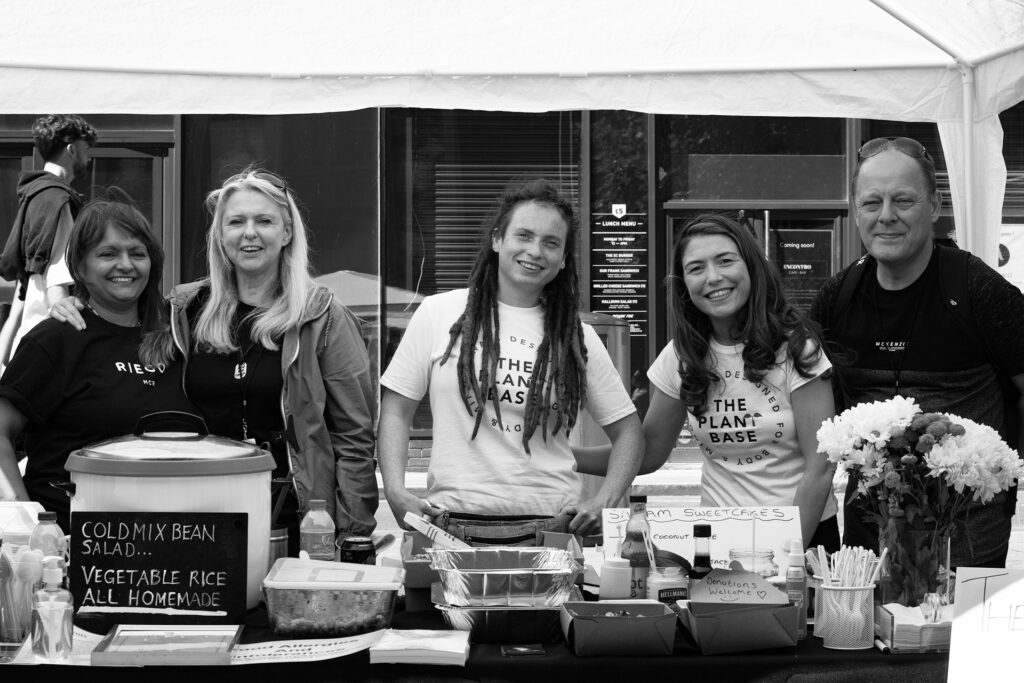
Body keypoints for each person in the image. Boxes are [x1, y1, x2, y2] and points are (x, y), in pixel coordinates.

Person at [51, 167, 378, 553]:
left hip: (296, 516)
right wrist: (75, 304)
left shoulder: (322, 316)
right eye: (236, 222)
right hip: (198, 511)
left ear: (287, 233)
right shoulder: (186, 310)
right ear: (221, 236)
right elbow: (118, 315)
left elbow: (355, 438)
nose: (249, 232)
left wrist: (352, 535)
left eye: (265, 221)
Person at [378, 178, 642, 544]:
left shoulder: (575, 334)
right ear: (498, 239)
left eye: (551, 243)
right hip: (450, 525)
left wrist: (607, 498)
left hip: (553, 527)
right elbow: (396, 409)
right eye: (524, 235)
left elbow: (628, 431)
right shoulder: (440, 312)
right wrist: (394, 487)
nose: (535, 251)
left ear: (563, 260)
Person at [809, 136, 1024, 567]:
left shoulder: (976, 289)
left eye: (903, 201)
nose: (886, 216)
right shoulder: (838, 297)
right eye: (872, 203)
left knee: (952, 636)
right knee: (867, 633)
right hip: (870, 529)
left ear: (935, 205)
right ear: (855, 210)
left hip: (967, 533)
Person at [579, 214, 838, 550]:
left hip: (803, 536)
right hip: (717, 539)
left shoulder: (797, 348)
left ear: (751, 267)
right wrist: (563, 456)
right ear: (684, 283)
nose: (713, 278)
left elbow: (820, 470)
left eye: (725, 261)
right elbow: (648, 452)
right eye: (696, 268)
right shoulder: (680, 356)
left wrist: (784, 553)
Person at [0, 199, 193, 531]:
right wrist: (30, 525)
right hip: (75, 550)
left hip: (170, 543)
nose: (126, 265)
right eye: (108, 254)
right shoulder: (57, 339)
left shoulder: (177, 336)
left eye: (137, 253)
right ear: (81, 266)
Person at [0, 115, 97, 366]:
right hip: (48, 343)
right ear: (71, 149)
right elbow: (57, 273)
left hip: (31, 336)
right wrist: (70, 339)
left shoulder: (34, 196)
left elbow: (26, 279)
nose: (89, 158)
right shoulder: (56, 199)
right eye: (86, 150)